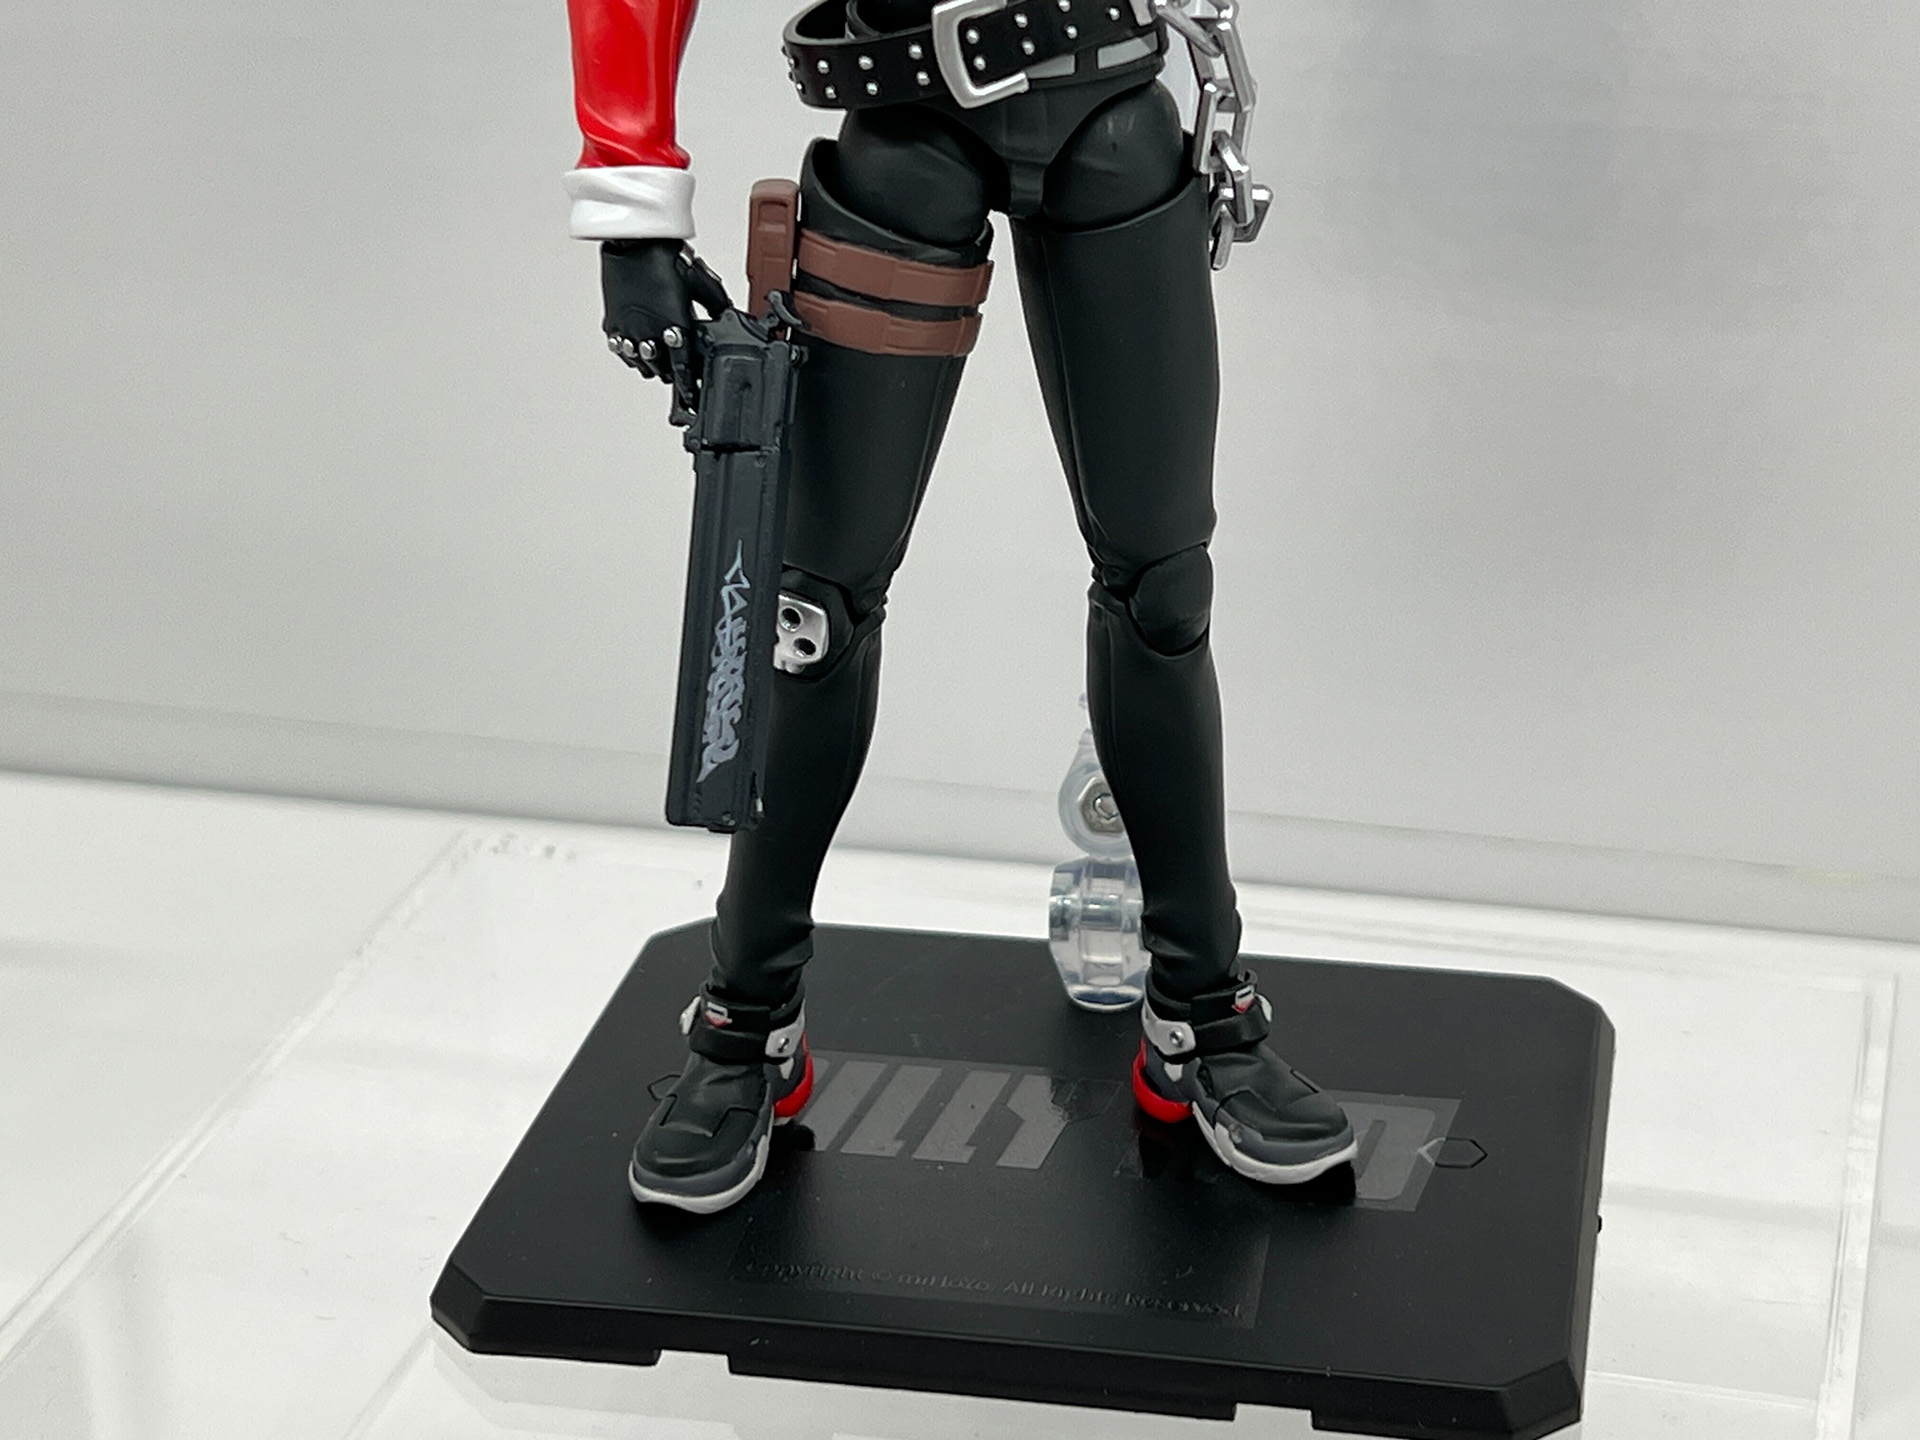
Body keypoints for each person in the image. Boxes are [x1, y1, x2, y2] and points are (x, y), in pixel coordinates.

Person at [565, 0, 1357, 1214]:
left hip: (1109, 106)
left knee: (1162, 593)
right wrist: (632, 207)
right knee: (813, 617)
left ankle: (1200, 1012)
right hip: (899, 126)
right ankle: (748, 1019)